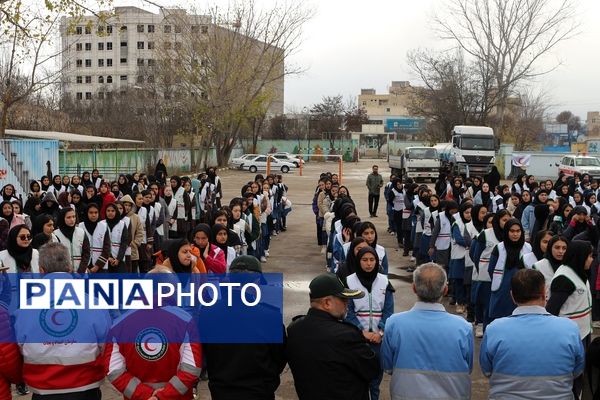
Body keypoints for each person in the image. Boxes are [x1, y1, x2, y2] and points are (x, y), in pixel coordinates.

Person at [14, 242, 111, 399]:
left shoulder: (24, 309)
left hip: (43, 389)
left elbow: (19, 347)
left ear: (41, 271)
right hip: (86, 386)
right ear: (70, 269)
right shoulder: (95, 303)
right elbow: (106, 345)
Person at [480, 269, 584, 399]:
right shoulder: (570, 328)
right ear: (544, 292)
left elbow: (487, 370)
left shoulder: (494, 329)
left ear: (512, 296)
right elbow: (577, 370)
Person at [103, 267, 202, 400]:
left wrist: (145, 394)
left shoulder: (119, 324)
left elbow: (114, 370)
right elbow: (191, 369)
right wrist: (161, 396)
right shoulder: (185, 321)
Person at [381, 263, 473, 399]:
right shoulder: (463, 327)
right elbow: (468, 367)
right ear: (445, 290)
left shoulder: (394, 323)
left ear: (414, 288)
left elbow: (387, 366)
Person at [203, 255, 286, 400]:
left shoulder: (208, 313)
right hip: (259, 391)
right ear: (257, 281)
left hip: (221, 391)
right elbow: (280, 357)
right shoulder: (270, 317)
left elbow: (204, 353)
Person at [286, 273, 379, 400]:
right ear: (327, 303)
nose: (347, 304)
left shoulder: (294, 329)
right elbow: (372, 370)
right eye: (343, 299)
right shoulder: (346, 336)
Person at [345, 247, 394, 400]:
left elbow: (388, 311)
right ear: (358, 261)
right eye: (364, 260)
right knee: (358, 376)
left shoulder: (384, 281)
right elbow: (348, 312)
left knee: (375, 378)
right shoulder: (349, 281)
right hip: (357, 338)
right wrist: (361, 332)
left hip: (378, 339)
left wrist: (380, 332)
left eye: (372, 260)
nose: (368, 264)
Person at [488, 219, 533, 322]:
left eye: (518, 231)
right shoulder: (499, 248)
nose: (515, 234)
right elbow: (491, 269)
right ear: (506, 231)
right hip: (502, 288)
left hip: (523, 288)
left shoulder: (528, 247)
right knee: (501, 318)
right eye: (512, 231)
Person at [53, 207, 90, 273]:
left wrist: (80, 271)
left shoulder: (81, 232)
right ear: (62, 218)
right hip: (64, 274)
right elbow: (55, 257)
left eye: (74, 216)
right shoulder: (55, 234)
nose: (72, 220)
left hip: (81, 273)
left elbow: (86, 253)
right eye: (68, 217)